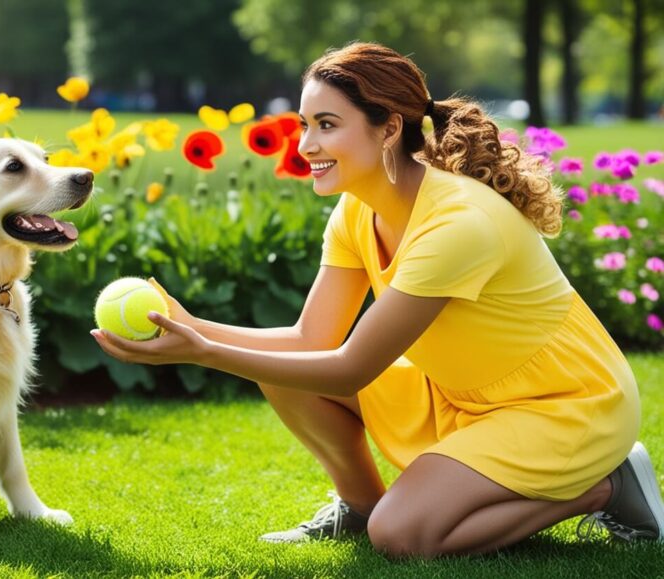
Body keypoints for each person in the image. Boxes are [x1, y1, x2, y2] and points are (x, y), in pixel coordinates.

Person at [90, 42, 664, 557]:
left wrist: (202, 353)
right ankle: (359, 508)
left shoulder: (459, 224)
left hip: (564, 406)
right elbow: (309, 340)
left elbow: (351, 369)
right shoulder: (357, 208)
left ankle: (606, 484)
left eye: (326, 125)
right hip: (461, 393)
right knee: (289, 375)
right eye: (304, 124)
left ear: (388, 128)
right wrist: (194, 326)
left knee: (405, 537)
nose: (306, 145)